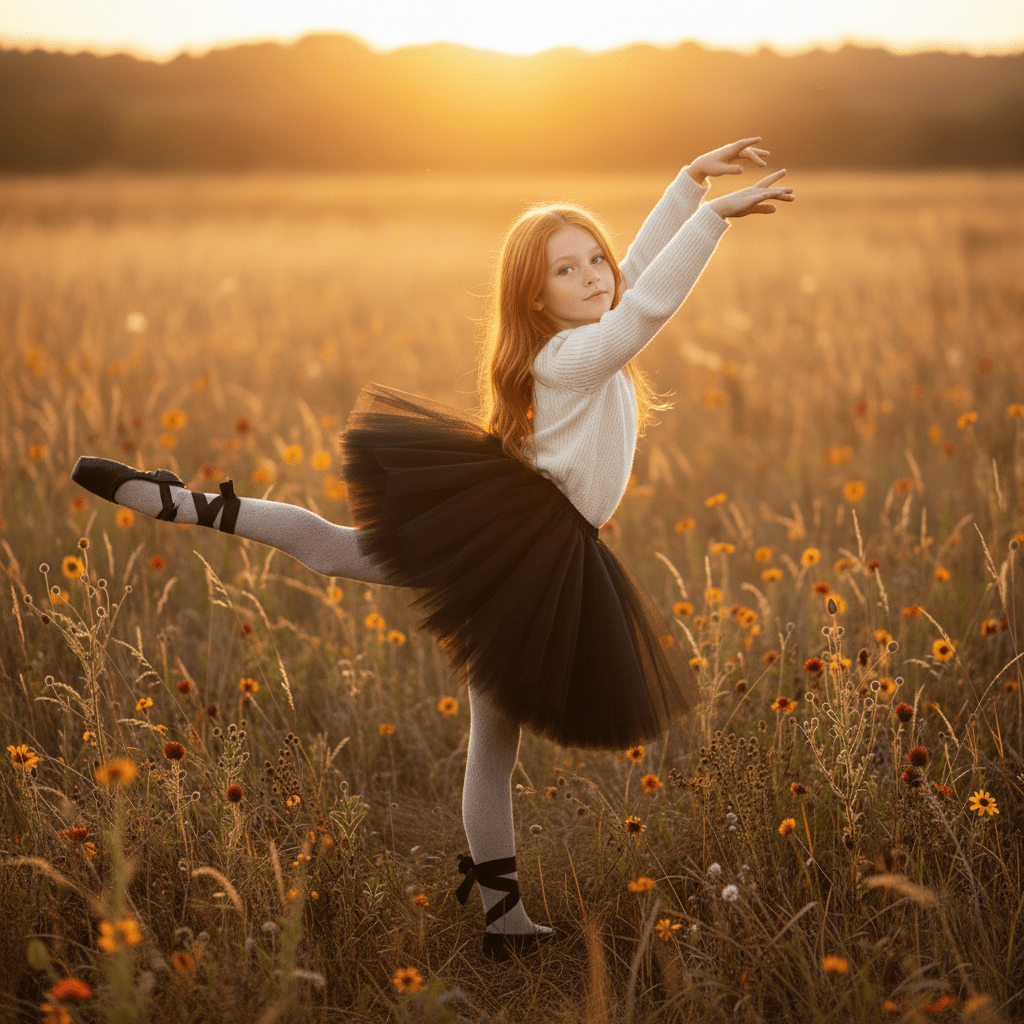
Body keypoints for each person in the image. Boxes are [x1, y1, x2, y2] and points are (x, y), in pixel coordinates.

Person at [71, 138, 793, 959]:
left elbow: (628, 280)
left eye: (594, 258)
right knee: (356, 575)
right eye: (567, 270)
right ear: (534, 300)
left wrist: (686, 182)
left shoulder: (583, 333)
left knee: (428, 662)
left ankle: (503, 920)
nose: (593, 274)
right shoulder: (574, 357)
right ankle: (182, 501)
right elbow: (642, 310)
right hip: (520, 548)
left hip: (534, 544)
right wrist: (710, 222)